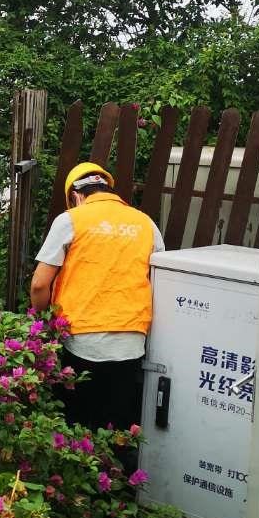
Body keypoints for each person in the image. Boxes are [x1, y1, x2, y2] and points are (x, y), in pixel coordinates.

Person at [30, 162, 165, 432]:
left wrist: (42, 321)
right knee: (117, 426)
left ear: (76, 196)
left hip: (82, 341)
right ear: (108, 189)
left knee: (78, 425)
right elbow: (161, 280)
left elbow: (39, 284)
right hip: (131, 341)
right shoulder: (145, 223)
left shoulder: (71, 220)